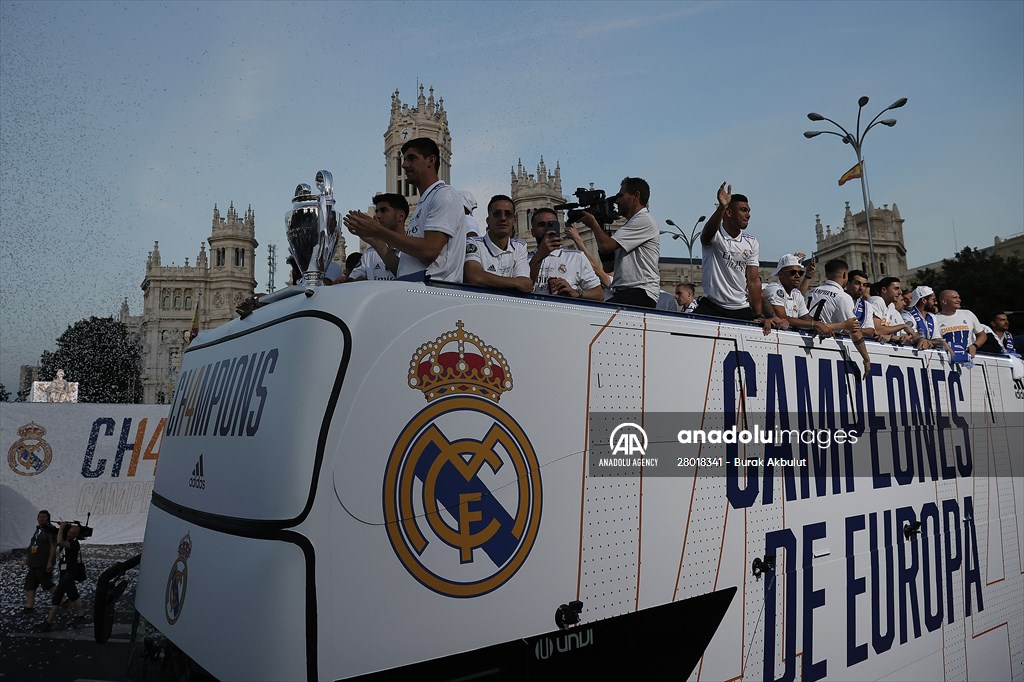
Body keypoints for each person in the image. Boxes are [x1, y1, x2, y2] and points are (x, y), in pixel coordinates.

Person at [344, 137, 464, 282]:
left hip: (434, 294)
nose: (404, 165)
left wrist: (378, 230)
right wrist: (376, 242)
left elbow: (429, 250)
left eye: (411, 158)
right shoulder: (424, 202)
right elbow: (402, 271)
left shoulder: (444, 195)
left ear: (430, 161)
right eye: (404, 159)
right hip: (413, 291)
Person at [693, 183, 782, 334]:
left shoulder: (751, 242)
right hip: (712, 306)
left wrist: (758, 314)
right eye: (743, 210)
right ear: (728, 213)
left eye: (748, 211)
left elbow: (753, 281)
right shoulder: (715, 235)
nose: (748, 214)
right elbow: (706, 236)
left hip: (740, 309)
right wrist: (720, 208)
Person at [578, 177, 660, 308]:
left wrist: (594, 225)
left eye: (621, 196)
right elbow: (609, 267)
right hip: (626, 293)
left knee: (598, 313)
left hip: (640, 292)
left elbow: (605, 246)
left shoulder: (644, 220)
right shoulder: (629, 226)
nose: (617, 201)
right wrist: (600, 224)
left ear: (636, 196)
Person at [806, 258, 872, 376]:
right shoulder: (843, 297)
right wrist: (866, 358)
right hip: (823, 347)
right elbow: (854, 330)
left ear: (826, 274)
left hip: (803, 339)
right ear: (845, 274)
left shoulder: (811, 291)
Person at [528, 207, 603, 300]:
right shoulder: (523, 259)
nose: (547, 229)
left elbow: (599, 294)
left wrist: (575, 293)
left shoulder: (575, 257)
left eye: (551, 224)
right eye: (541, 225)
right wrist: (540, 254)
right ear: (532, 232)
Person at [463, 195, 532, 292]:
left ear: (514, 221)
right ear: (488, 221)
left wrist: (486, 279)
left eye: (508, 214)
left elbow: (525, 285)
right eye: (497, 214)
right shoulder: (473, 244)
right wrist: (515, 282)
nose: (503, 218)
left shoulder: (520, 246)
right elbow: (474, 277)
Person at [764, 254, 833, 338]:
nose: (797, 275)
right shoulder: (775, 289)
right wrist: (815, 325)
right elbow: (783, 318)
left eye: (800, 273)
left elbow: (806, 318)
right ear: (781, 274)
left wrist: (820, 325)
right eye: (792, 272)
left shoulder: (797, 294)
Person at [345, 193, 409, 282]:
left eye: (383, 210)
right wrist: (342, 282)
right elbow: (353, 280)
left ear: (400, 216)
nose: (377, 216)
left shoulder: (413, 249)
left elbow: (409, 277)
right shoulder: (370, 253)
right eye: (377, 211)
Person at [40, 522, 86, 631]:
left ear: (76, 535)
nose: (70, 535)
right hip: (65, 573)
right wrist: (60, 528)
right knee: (73, 594)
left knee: (57, 596)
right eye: (69, 532)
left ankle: (48, 623)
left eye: (72, 533)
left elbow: (60, 541)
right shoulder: (69, 540)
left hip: (68, 574)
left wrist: (61, 528)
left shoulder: (74, 544)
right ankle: (80, 616)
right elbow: (57, 539)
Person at [931, 290, 989, 364]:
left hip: (969, 361)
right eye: (955, 297)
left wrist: (974, 346)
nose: (959, 300)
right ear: (944, 302)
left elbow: (982, 335)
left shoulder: (968, 314)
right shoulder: (934, 319)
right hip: (946, 362)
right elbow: (933, 341)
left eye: (959, 297)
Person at [22, 510, 57, 614]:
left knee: (47, 584)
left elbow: (53, 547)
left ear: (48, 518)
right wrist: (26, 559)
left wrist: (50, 562)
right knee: (30, 584)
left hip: (43, 562)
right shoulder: (38, 530)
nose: (41, 518)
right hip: (34, 562)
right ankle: (29, 607)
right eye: (40, 517)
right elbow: (32, 545)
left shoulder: (50, 530)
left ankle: (64, 600)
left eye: (44, 517)